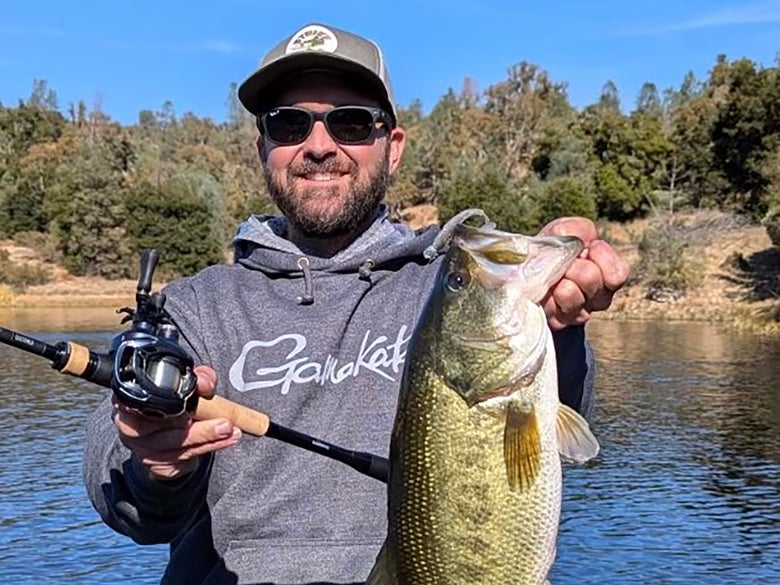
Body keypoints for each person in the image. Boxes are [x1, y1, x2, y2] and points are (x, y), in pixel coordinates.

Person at [82, 22, 629, 585]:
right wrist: (155, 465)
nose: (319, 146)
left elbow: (554, 425)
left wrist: (563, 319)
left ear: (392, 149)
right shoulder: (194, 309)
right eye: (289, 123)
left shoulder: (444, 283)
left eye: (350, 122)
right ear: (263, 148)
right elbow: (131, 505)